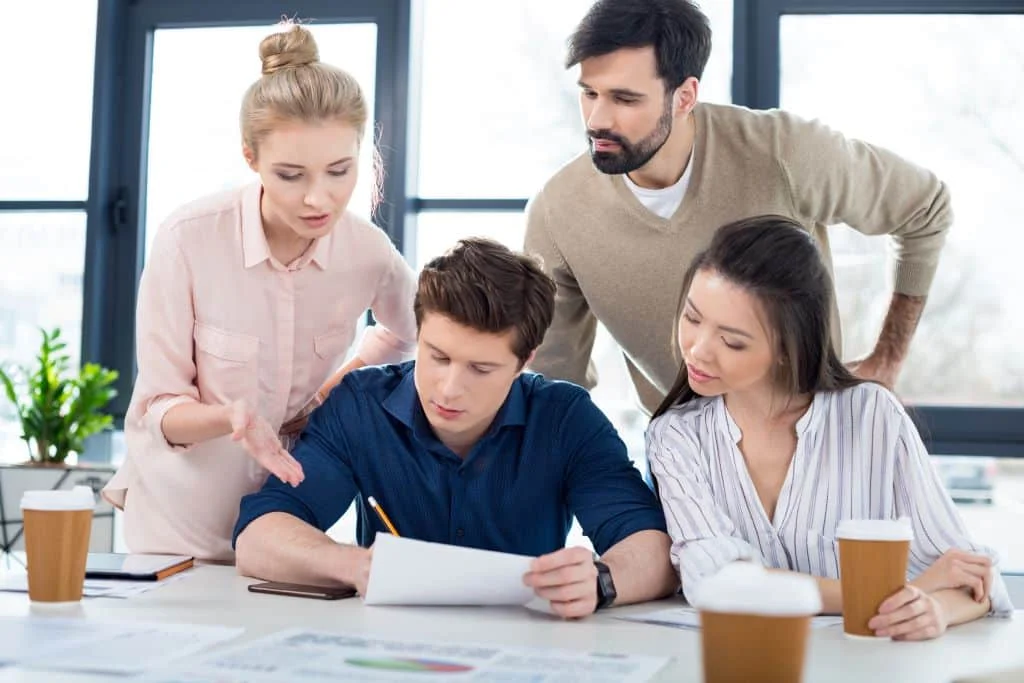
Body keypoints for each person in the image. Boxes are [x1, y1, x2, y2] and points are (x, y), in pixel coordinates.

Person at [525, 0, 952, 414]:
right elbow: (553, 387)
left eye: (624, 99)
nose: (597, 119)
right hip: (682, 461)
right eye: (589, 93)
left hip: (816, 440)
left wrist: (888, 359)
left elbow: (925, 207)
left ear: (685, 96)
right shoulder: (556, 213)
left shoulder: (784, 151)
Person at [102, 23, 418, 562]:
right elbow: (158, 406)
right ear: (251, 158)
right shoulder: (190, 240)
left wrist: (328, 395)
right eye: (291, 175)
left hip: (289, 534)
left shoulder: (367, 251)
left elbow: (412, 331)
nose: (319, 199)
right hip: (179, 536)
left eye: (340, 171)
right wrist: (230, 418)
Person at [233, 238, 678, 618]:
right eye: (438, 357)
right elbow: (257, 537)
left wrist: (600, 581)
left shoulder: (566, 418)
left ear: (525, 361)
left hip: (527, 649)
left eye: (481, 368)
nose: (448, 390)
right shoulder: (359, 405)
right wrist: (351, 565)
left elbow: (655, 550)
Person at [646, 215, 1012, 641]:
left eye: (732, 341)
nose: (698, 350)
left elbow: (975, 581)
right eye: (692, 317)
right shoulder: (675, 438)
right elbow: (714, 582)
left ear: (788, 348)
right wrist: (903, 590)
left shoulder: (873, 417)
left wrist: (934, 608)